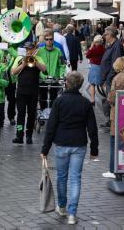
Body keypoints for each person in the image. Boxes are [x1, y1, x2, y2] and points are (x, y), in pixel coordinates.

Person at [41, 71, 98, 226]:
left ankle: (62, 206)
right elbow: (92, 127)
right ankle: (72, 214)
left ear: (66, 83)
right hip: (79, 144)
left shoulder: (59, 102)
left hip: (61, 144)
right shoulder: (85, 103)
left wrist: (44, 149)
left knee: (61, 177)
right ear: (80, 85)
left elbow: (51, 127)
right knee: (76, 179)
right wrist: (94, 149)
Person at [11, 42, 47, 144]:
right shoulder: (19, 59)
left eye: (30, 49)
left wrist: (36, 62)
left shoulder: (38, 58)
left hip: (33, 91)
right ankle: (19, 135)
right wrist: (23, 64)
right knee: (21, 114)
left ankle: (29, 136)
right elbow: (13, 72)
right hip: (21, 92)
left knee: (31, 114)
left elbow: (44, 70)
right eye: (27, 49)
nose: (28, 51)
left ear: (34, 49)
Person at [99, 26, 124, 128]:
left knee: (112, 101)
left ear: (110, 35)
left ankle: (113, 122)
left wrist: (108, 79)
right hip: (108, 79)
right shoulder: (112, 45)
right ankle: (111, 121)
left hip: (112, 79)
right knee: (109, 100)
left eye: (105, 35)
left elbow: (116, 64)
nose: (104, 37)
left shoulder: (117, 46)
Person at [37, 29, 66, 110]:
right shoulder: (39, 51)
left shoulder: (58, 51)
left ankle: (52, 114)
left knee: (53, 98)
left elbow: (62, 65)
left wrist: (61, 75)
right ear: (44, 40)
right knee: (42, 98)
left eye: (50, 39)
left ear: (53, 40)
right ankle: (42, 112)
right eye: (47, 39)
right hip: (42, 79)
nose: (49, 41)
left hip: (54, 79)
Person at [85, 35, 106, 106]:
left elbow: (87, 55)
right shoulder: (104, 49)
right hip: (102, 67)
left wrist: (91, 47)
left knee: (92, 84)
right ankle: (108, 97)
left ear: (95, 42)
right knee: (102, 84)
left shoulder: (94, 49)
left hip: (94, 67)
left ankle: (92, 99)